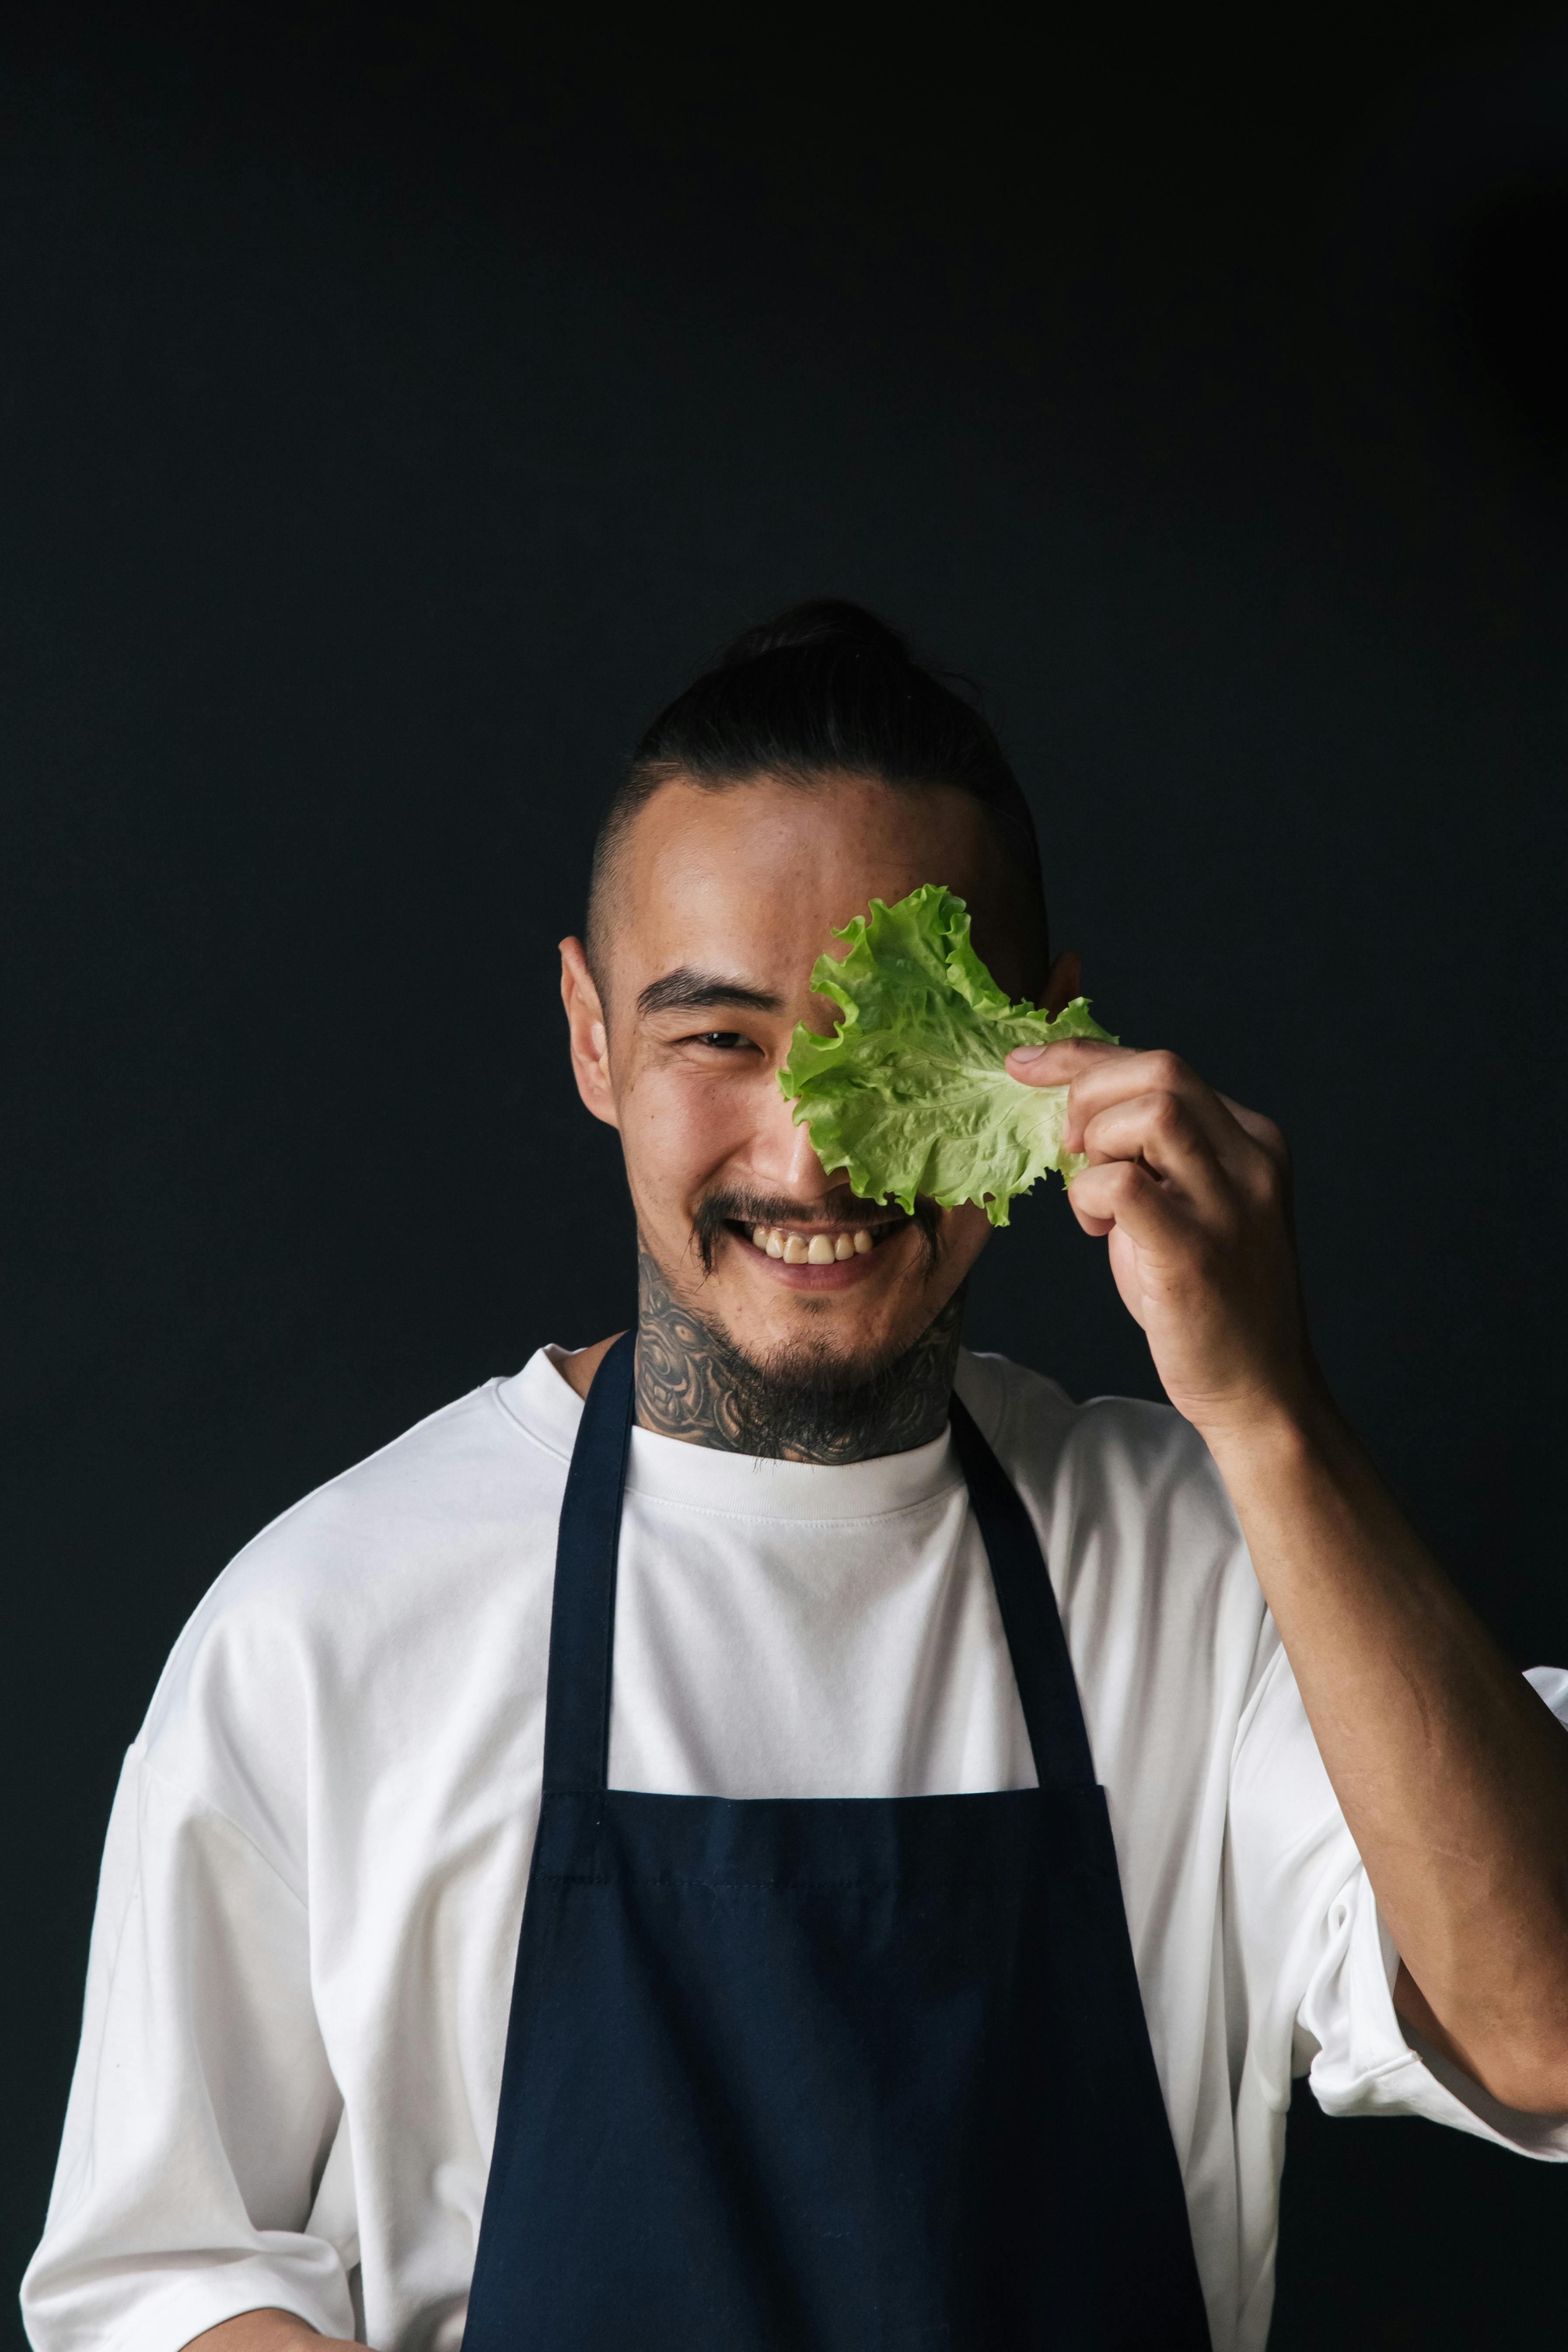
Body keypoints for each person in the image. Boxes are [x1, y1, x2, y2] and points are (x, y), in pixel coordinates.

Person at [22, 602, 1568, 2352]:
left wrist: (1269, 1411)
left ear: (1047, 1048)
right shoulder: (331, 1618)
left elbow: (1545, 2024)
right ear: (592, 1037)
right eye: (719, 1038)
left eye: (891, 1045)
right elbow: (161, 2279)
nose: (813, 1140)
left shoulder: (1213, 1561)